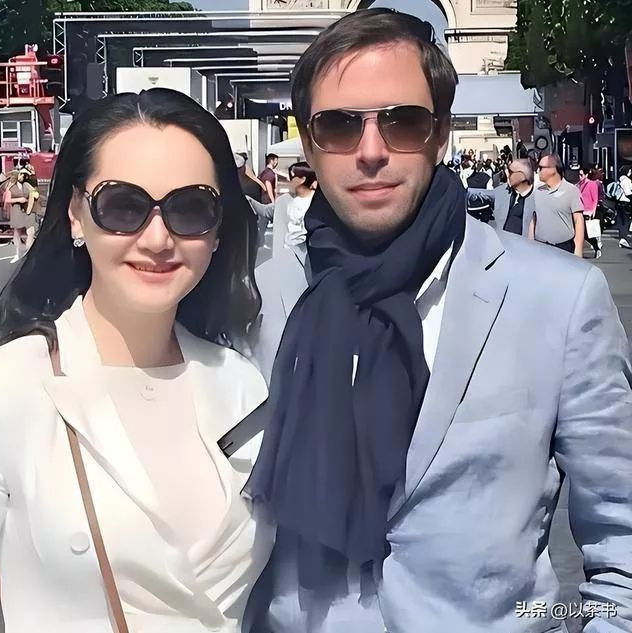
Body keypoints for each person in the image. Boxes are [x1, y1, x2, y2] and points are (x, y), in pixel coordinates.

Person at [244, 9, 632, 633]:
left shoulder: (557, 298)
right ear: (310, 144)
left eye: (403, 121)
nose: (372, 151)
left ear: (441, 132)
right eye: (340, 125)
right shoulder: (260, 300)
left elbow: (623, 534)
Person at [0, 88, 273, 632]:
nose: (158, 239)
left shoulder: (243, 385)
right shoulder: (9, 387)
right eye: (123, 206)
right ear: (76, 215)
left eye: (191, 208)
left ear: (219, 230)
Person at [534, 154, 585, 256]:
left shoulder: (571, 191)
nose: (538, 171)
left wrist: (578, 249)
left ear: (553, 169)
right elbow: (534, 219)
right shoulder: (537, 192)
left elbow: (578, 220)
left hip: (564, 248)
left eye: (541, 167)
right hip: (540, 248)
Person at [490, 158, 536, 237]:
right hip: (501, 241)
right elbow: (482, 194)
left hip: (522, 243)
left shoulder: (539, 199)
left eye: (510, 172)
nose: (506, 174)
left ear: (522, 176)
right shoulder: (503, 190)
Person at [6, 169, 37, 263]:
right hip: (17, 211)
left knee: (31, 231)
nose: (22, 176)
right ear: (16, 177)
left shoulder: (26, 185)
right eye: (20, 175)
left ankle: (29, 253)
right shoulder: (11, 188)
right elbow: (7, 200)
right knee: (17, 233)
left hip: (27, 210)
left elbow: (34, 193)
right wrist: (19, 200)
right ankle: (18, 254)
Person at [284, 161, 316, 249]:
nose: (289, 180)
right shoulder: (291, 202)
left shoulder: (315, 202)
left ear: (302, 179)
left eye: (292, 177)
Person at [578, 165, 602, 258]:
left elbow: (595, 198)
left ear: (586, 175)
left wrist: (593, 211)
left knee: (587, 233)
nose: (579, 177)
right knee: (581, 232)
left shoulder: (592, 184)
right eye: (579, 175)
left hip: (588, 211)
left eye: (581, 175)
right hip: (580, 210)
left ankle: (596, 248)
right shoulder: (580, 184)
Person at [615, 165, 632, 249]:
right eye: (629, 171)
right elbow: (628, 193)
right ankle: (624, 238)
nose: (630, 172)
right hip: (626, 202)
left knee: (620, 221)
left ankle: (622, 237)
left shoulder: (619, 180)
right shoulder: (627, 180)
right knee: (626, 221)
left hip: (619, 202)